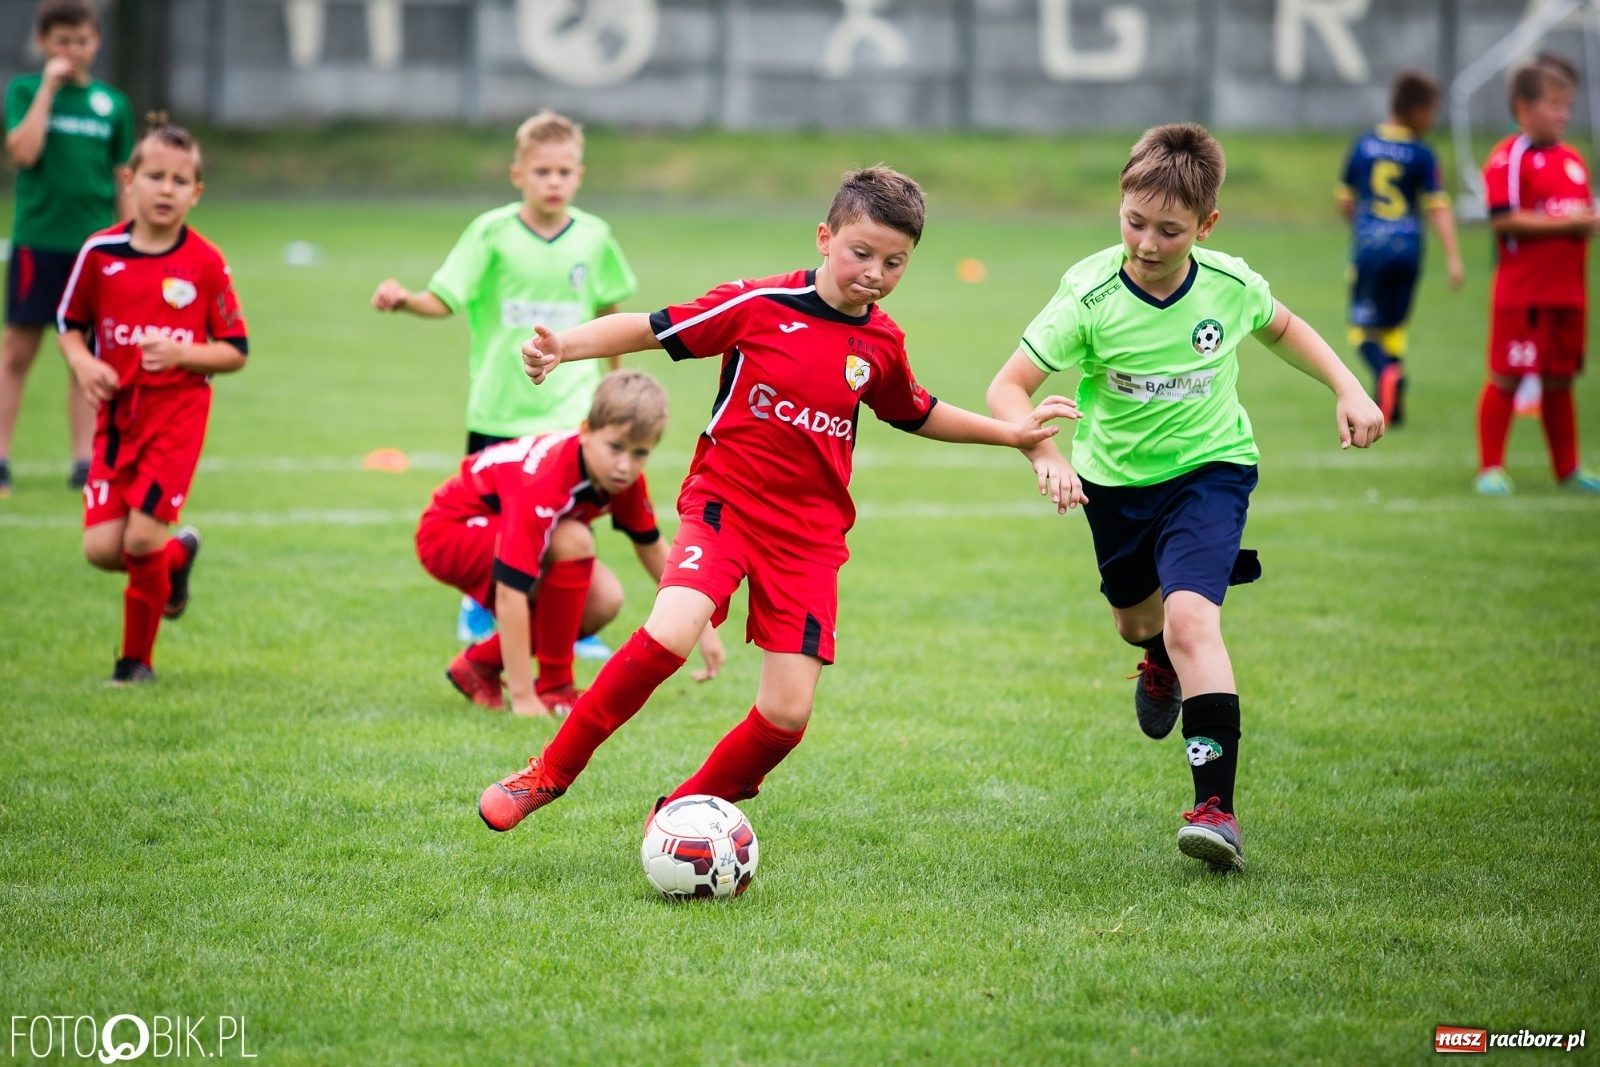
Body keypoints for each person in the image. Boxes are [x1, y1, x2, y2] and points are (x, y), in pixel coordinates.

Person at [476, 166, 1077, 833]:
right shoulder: (758, 305)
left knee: (787, 716)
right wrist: (565, 347)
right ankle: (548, 772)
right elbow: (653, 328)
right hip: (724, 505)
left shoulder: (880, 344)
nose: (875, 272)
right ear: (825, 237)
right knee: (670, 632)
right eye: (861, 253)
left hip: (810, 537)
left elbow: (914, 409)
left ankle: (680, 813)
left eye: (895, 262)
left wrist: (1010, 433)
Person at [986, 125, 1385, 872]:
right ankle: (1156, 661)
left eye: (1169, 231)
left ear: (1206, 226)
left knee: (1193, 618)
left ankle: (1215, 809)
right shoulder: (1091, 294)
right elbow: (1007, 386)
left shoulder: (1228, 285)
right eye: (1134, 222)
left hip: (1212, 470)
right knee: (1138, 620)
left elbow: (1285, 327)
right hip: (1114, 482)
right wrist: (1041, 450)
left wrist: (1348, 386)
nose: (1146, 242)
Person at [371, 110, 638, 646]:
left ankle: (572, 618)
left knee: (571, 517)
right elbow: (445, 298)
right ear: (518, 175)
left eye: (565, 172)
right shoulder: (490, 233)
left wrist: (617, 384)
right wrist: (405, 301)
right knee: (495, 523)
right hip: (499, 408)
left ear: (579, 176)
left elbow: (612, 312)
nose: (554, 181)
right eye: (542, 172)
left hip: (569, 410)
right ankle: (480, 604)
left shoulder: (594, 237)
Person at [56, 118, 248, 684]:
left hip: (176, 420)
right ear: (128, 180)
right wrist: (84, 361)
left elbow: (235, 349)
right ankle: (177, 557)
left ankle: (135, 664)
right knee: (100, 549)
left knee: (140, 537)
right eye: (155, 176)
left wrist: (184, 353)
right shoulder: (100, 253)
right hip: (116, 422)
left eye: (180, 180)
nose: (166, 189)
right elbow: (69, 323)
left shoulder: (206, 263)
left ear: (197, 193)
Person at [415, 370, 723, 717]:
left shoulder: (623, 481)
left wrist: (702, 627)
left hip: (489, 529)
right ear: (587, 431)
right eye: (615, 448)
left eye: (640, 453)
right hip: (449, 532)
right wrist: (522, 699)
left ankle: (478, 666)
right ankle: (552, 688)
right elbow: (510, 592)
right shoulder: (546, 478)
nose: (625, 465)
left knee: (604, 598)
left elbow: (652, 547)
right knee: (573, 540)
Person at [2, 0, 133, 497]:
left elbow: (123, 179)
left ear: (96, 42)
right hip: (39, 243)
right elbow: (24, 151)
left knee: (89, 357)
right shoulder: (25, 92)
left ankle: (85, 462)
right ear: (42, 43)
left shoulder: (112, 104)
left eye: (81, 40)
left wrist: (129, 242)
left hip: (94, 253)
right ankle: (0, 459)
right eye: (62, 41)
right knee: (17, 351)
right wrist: (49, 91)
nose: (72, 51)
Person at [1475, 62, 1600, 495]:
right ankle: (1491, 467)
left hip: (1569, 293)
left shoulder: (1574, 161)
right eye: (1554, 105)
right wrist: (1567, 224)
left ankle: (1567, 468)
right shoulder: (1510, 157)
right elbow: (1502, 219)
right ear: (1524, 109)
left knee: (1560, 380)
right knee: (1507, 376)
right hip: (1524, 293)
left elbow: (1575, 214)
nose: (1564, 114)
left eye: (1568, 107)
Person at [1336, 69, 1464, 426]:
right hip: (1409, 250)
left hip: (1370, 249)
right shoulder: (1422, 154)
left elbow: (1345, 200)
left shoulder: (1362, 145)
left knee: (1362, 330)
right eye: (1430, 111)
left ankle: (1387, 373)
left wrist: (1363, 225)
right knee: (1394, 327)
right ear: (1415, 109)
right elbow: (1438, 206)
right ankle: (1394, 406)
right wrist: (1453, 258)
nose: (1433, 119)